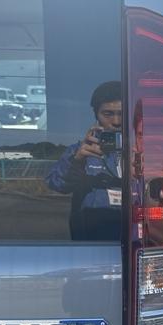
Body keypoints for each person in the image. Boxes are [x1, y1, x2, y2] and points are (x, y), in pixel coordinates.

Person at [46, 81, 123, 240]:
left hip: (133, 242)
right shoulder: (79, 151)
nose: (116, 121)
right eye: (107, 114)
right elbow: (56, 184)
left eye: (122, 114)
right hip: (90, 241)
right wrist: (77, 161)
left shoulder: (143, 152)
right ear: (96, 115)